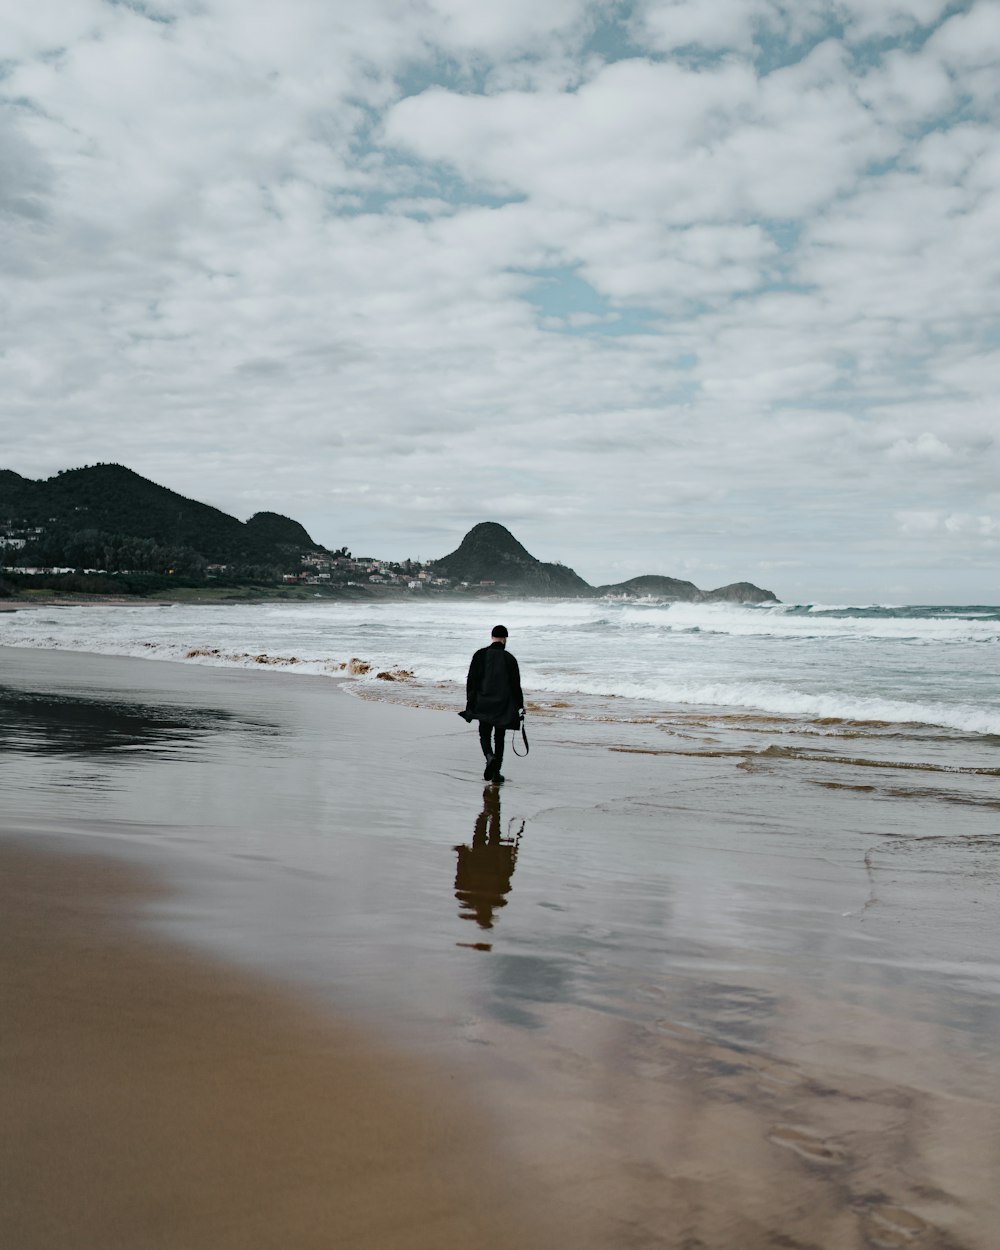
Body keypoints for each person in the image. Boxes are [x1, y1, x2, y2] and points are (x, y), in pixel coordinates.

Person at [459, 624, 524, 784]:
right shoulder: (510, 659)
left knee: (484, 734)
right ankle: (496, 773)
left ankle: (489, 756)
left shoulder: (480, 655)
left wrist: (470, 702)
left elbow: (471, 681)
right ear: (505, 639)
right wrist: (520, 706)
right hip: (502, 705)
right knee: (499, 737)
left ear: (492, 637)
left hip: (483, 702)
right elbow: (516, 686)